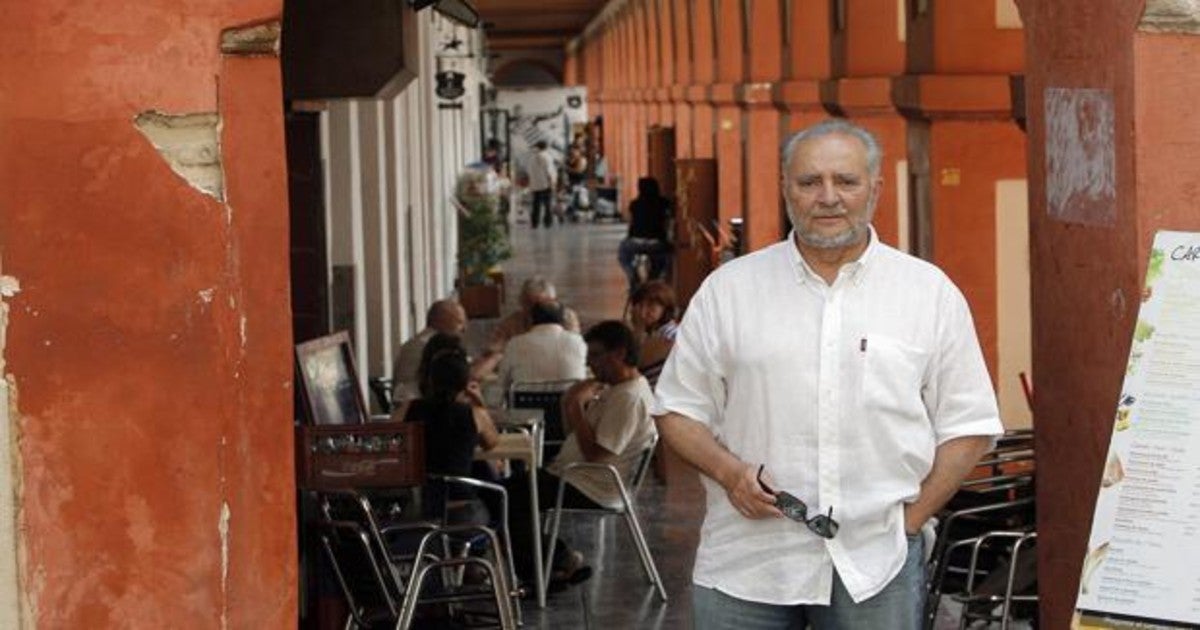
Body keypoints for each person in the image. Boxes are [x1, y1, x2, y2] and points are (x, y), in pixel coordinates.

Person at [652, 119, 1003, 630]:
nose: (828, 197)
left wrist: (907, 523)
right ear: (785, 189)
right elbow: (677, 409)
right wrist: (730, 474)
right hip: (747, 563)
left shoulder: (928, 294)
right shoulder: (729, 290)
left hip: (876, 564)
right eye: (809, 182)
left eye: (846, 181)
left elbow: (969, 425)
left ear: (875, 189)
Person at [503, 320, 658, 589]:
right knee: (511, 491)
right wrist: (570, 403)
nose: (591, 365)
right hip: (576, 475)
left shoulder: (629, 398)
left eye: (597, 356)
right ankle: (556, 560)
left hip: (593, 485)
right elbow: (573, 435)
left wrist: (575, 405)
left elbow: (596, 455)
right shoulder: (615, 390)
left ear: (619, 353)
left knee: (507, 496)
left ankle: (548, 567)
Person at [397, 334, 501, 526]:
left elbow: (390, 436)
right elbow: (492, 443)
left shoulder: (409, 408)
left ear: (430, 379)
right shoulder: (474, 414)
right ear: (464, 382)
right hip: (463, 511)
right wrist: (479, 402)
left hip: (421, 510)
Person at [473, 276, 581, 378]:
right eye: (529, 304)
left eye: (541, 305)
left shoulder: (567, 317)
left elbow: (574, 349)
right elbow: (493, 351)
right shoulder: (511, 323)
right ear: (521, 302)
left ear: (554, 301)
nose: (535, 311)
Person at [496, 301, 587, 392]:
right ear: (562, 320)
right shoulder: (579, 341)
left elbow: (502, 383)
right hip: (568, 404)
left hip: (527, 404)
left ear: (531, 319)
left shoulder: (515, 343)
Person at [391, 299, 467, 405]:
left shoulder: (417, 342)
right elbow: (460, 379)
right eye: (459, 322)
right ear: (442, 320)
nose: (464, 328)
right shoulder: (432, 345)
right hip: (421, 411)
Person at [618, 177, 672, 293]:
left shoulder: (634, 204)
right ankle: (654, 279)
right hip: (656, 243)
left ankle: (633, 277)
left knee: (623, 253)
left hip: (635, 243)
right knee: (663, 256)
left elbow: (631, 224)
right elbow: (668, 220)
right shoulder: (663, 203)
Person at [627, 280, 679, 389]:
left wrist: (638, 327)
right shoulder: (652, 332)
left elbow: (633, 363)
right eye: (640, 304)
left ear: (665, 309)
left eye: (651, 305)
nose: (643, 310)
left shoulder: (670, 335)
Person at [526, 140, 557, 229]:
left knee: (536, 203)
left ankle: (534, 222)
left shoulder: (532, 157)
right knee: (547, 203)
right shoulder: (546, 156)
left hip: (535, 184)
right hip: (545, 183)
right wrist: (552, 182)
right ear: (546, 147)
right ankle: (547, 222)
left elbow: (529, 171)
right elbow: (549, 171)